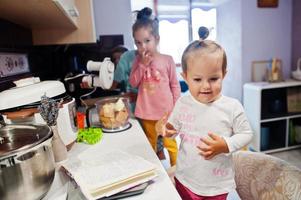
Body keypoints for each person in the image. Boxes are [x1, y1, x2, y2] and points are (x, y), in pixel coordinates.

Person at [156, 27, 253, 199]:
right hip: (185, 178)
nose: (206, 86)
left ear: (224, 74)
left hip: (217, 184)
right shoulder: (183, 103)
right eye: (197, 79)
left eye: (214, 79)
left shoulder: (231, 107)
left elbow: (246, 133)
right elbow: (172, 132)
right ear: (185, 76)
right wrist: (165, 129)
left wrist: (226, 145)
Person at [129, 7, 181, 167]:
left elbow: (175, 86)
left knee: (170, 145)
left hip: (166, 113)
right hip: (146, 112)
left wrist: (176, 108)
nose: (142, 46)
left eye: (147, 41)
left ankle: (176, 174)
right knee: (150, 146)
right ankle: (153, 173)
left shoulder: (167, 60)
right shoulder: (138, 61)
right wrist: (143, 65)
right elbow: (133, 83)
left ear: (156, 39)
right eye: (138, 43)